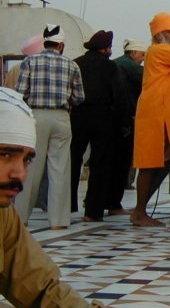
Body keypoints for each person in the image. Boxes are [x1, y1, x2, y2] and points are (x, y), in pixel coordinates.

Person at [0, 87, 127, 308]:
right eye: (5, 155)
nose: (19, 174)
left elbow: (39, 287)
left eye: (26, 160)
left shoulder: (4, 215)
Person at [15, 24, 84, 229]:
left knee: (31, 167)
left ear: (45, 42)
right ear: (61, 45)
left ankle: (21, 217)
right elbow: (79, 97)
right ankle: (59, 220)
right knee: (60, 169)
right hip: (61, 117)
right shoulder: (71, 65)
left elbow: (20, 92)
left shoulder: (30, 61)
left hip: (36, 116)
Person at [131, 13, 170, 226]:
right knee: (150, 163)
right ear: (159, 34)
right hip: (156, 115)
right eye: (169, 32)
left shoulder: (162, 50)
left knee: (164, 163)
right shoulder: (160, 50)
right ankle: (139, 211)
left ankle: (140, 209)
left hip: (162, 115)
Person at [70, 30, 122, 222]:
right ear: (106, 48)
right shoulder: (110, 66)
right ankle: (93, 211)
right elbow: (119, 94)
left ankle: (66, 206)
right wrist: (123, 121)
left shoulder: (76, 63)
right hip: (103, 117)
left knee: (73, 161)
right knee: (100, 164)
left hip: (78, 115)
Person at [110, 39, 146, 215]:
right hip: (125, 119)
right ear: (133, 53)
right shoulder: (130, 66)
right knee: (122, 161)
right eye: (142, 55)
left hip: (109, 117)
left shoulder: (114, 63)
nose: (143, 59)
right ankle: (114, 204)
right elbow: (150, 77)